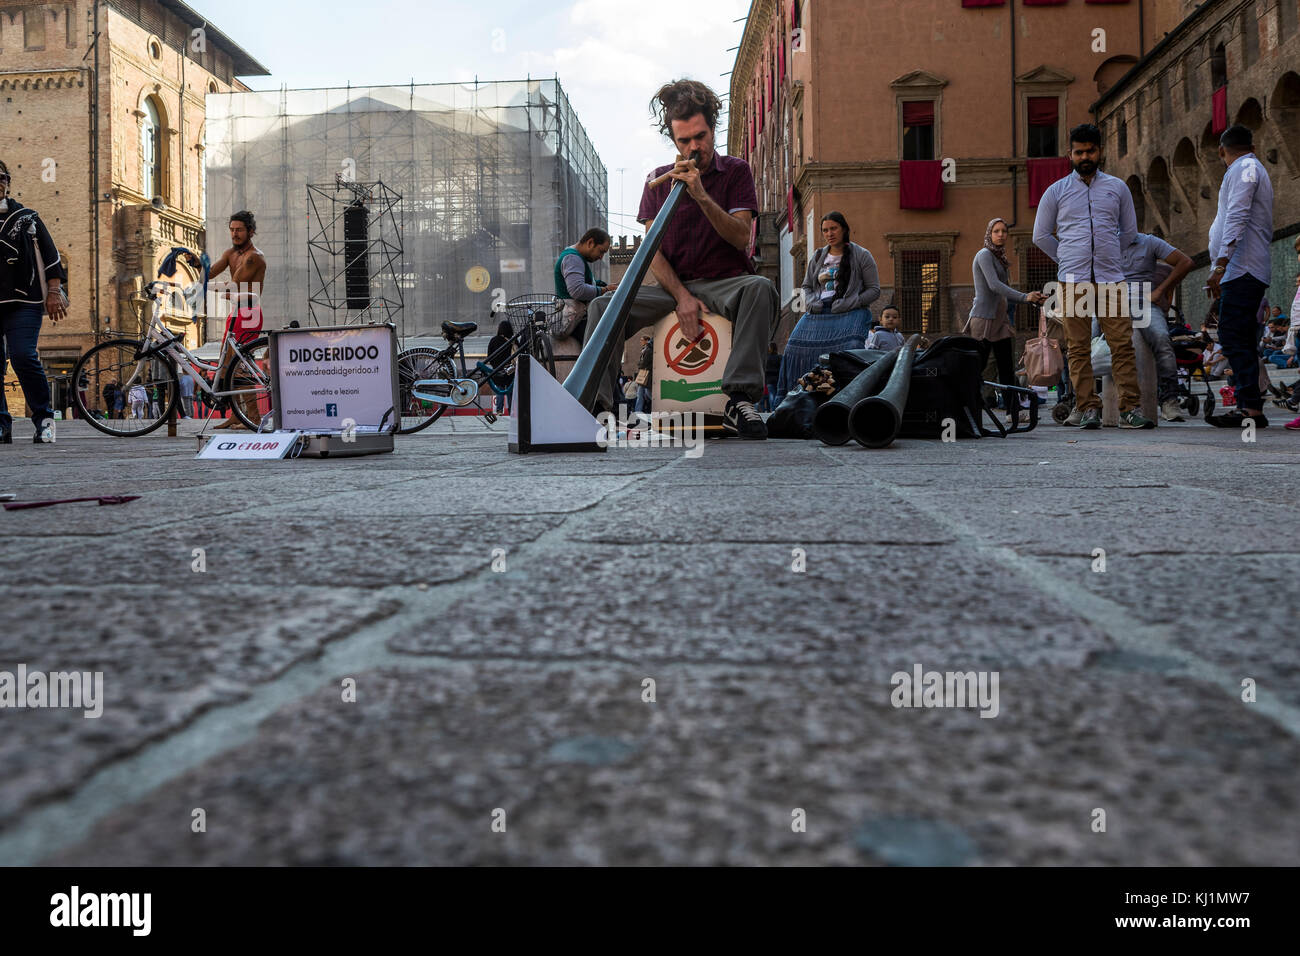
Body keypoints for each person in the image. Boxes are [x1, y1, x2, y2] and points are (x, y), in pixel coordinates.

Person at [583, 79, 777, 439]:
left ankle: (739, 398)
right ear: (673, 141)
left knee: (761, 288)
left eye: (700, 137)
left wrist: (701, 195)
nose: (693, 147)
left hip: (725, 281)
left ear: (713, 129)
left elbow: (740, 236)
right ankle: (599, 407)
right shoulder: (657, 180)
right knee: (601, 308)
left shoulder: (736, 171)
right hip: (672, 286)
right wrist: (682, 297)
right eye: (683, 141)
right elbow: (651, 250)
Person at [1033, 124, 1153, 429]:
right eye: (1079, 152)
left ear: (1100, 152)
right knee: (1077, 346)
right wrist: (1067, 256)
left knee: (1122, 345)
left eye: (1090, 151)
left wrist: (1108, 252)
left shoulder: (1117, 187)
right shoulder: (1056, 191)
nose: (1085, 156)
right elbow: (1040, 235)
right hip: (1073, 281)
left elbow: (1128, 232)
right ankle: (1087, 408)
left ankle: (1131, 409)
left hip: (1111, 278)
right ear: (1070, 154)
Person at [1206, 125, 1274, 428]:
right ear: (1253, 145)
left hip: (1242, 268)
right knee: (1240, 337)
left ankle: (1250, 409)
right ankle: (1251, 407)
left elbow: (1238, 213)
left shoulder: (1245, 168)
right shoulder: (1247, 166)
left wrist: (1220, 265)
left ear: (1222, 150)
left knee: (1234, 337)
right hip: (1238, 269)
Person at [776, 211, 880, 396]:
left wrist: (851, 302)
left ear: (844, 229)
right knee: (793, 348)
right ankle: (795, 395)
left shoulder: (862, 255)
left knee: (852, 346)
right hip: (818, 312)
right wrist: (811, 302)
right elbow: (807, 286)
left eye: (833, 228)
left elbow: (874, 290)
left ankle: (849, 393)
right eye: (825, 230)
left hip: (851, 312)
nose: (829, 234)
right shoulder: (817, 257)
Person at [0, 159, 65, 444]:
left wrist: (54, 292)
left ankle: (45, 420)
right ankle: (2, 424)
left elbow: (51, 257)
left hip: (24, 302)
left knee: (23, 356)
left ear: (8, 182)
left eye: (2, 177)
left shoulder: (27, 217)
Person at [964, 218, 1045, 412]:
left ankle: (1012, 412)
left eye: (1004, 231)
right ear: (989, 234)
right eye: (996, 231)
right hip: (984, 319)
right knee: (979, 367)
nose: (1001, 235)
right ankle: (968, 408)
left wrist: (1032, 299)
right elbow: (994, 286)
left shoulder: (999, 257)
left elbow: (1004, 294)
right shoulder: (984, 255)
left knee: (1006, 368)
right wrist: (1025, 296)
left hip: (1000, 321)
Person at [1123, 232, 1194, 421]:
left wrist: (1160, 291)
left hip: (1144, 303)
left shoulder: (1148, 242)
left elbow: (1185, 262)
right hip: (1110, 303)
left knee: (1162, 338)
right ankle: (1087, 404)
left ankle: (1170, 400)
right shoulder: (1102, 242)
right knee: (1089, 342)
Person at [208, 210, 267, 430]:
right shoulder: (230, 254)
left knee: (240, 367)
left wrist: (207, 287)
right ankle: (237, 415)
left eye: (240, 230)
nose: (235, 234)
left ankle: (254, 417)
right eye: (232, 230)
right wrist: (197, 264)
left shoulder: (254, 257)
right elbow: (210, 272)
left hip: (249, 312)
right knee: (226, 366)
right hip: (236, 314)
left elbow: (234, 284)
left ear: (250, 231)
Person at [555, 228, 617, 342]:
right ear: (590, 243)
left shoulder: (573, 257)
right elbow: (577, 290)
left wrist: (602, 285)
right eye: (601, 251)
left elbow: (582, 284)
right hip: (577, 321)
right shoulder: (573, 258)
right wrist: (605, 289)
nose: (601, 257)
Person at [486, 318, 515, 414]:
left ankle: (499, 410)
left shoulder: (493, 340)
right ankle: (512, 411)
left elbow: (489, 356)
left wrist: (495, 365)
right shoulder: (513, 341)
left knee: (499, 390)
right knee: (511, 391)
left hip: (497, 370)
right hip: (511, 369)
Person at [634, 333, 653, 415]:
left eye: (642, 340)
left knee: (648, 394)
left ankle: (657, 406)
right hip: (644, 375)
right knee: (640, 394)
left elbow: (643, 363)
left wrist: (639, 364)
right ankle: (637, 412)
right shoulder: (645, 349)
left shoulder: (648, 350)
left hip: (646, 375)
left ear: (647, 341)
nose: (640, 341)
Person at [762, 342, 782, 410]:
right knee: (777, 394)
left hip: (769, 380)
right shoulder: (779, 357)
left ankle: (772, 410)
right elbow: (781, 368)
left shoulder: (766, 358)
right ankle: (777, 409)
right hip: (777, 379)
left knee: (771, 395)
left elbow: (764, 370)